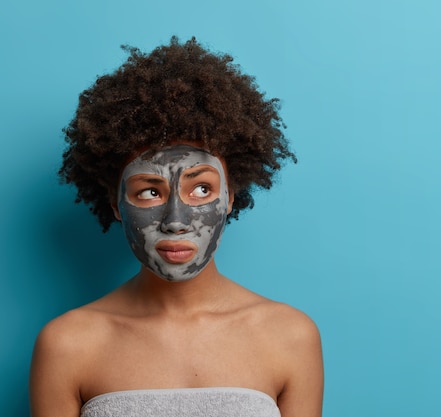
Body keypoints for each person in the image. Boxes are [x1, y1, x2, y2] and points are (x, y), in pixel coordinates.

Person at [29, 36, 323, 417]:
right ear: (115, 202)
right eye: (150, 191)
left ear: (230, 196)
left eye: (202, 188)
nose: (176, 221)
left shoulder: (290, 335)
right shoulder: (67, 344)